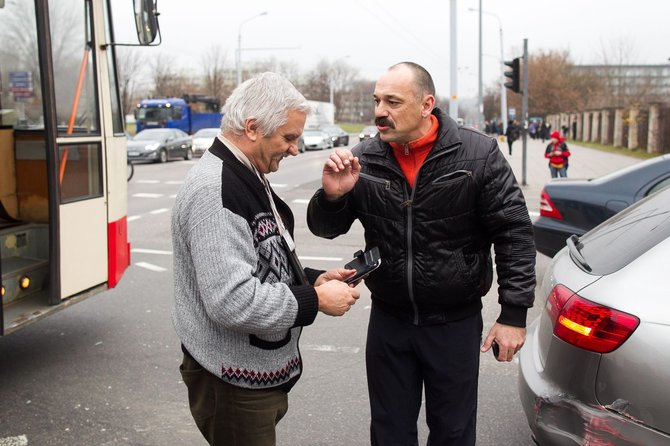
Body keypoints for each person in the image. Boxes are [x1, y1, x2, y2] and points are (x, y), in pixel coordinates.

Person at [306, 62, 536, 446]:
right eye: (378, 100)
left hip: (454, 323)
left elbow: (514, 232)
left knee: (453, 432)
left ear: (427, 104)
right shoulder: (365, 158)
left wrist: (513, 314)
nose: (380, 110)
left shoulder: (477, 153)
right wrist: (332, 194)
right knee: (389, 431)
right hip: (390, 321)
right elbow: (326, 229)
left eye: (393, 101)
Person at [171, 72, 361, 446]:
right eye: (289, 137)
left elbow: (259, 261)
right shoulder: (216, 189)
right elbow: (232, 301)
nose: (294, 149)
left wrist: (311, 280)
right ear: (253, 127)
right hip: (232, 383)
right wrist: (315, 300)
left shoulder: (246, 172)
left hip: (249, 376)